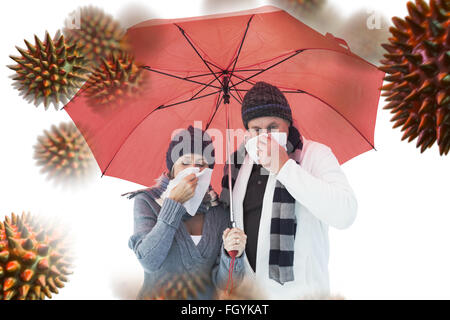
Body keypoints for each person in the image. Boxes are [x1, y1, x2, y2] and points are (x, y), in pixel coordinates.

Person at [220, 82, 358, 299]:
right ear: (247, 131)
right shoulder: (236, 165)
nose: (264, 136)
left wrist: (285, 168)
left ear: (288, 124)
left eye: (272, 127)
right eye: (256, 129)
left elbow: (345, 213)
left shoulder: (315, 155)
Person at [124, 126, 247, 299]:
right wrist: (174, 203)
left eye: (201, 164)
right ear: (173, 168)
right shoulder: (148, 201)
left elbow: (227, 284)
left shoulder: (220, 211)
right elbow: (149, 261)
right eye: (185, 163)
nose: (193, 170)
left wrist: (232, 254)